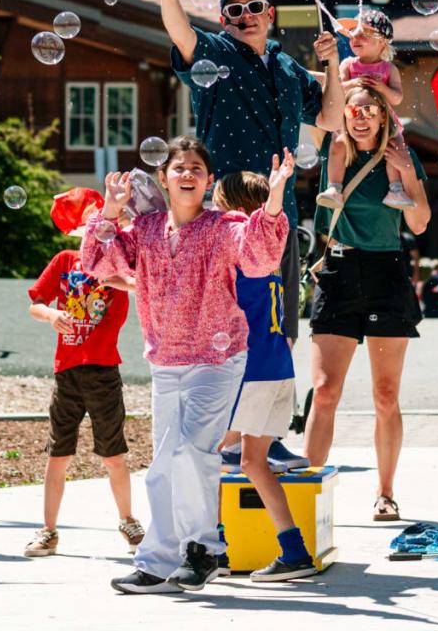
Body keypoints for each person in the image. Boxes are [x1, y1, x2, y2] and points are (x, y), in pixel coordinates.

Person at [82, 137, 291, 594]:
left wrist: (273, 202)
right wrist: (111, 211)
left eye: (197, 168)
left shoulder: (225, 226)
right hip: (167, 360)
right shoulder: (147, 229)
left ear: (209, 179)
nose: (188, 174)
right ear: (163, 178)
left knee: (193, 451)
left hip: (217, 359)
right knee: (163, 461)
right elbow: (98, 263)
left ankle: (204, 549)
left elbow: (260, 257)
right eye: (179, 168)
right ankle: (158, 561)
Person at [152, 0, 342, 348]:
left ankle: (278, 404)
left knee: (281, 330)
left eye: (255, 7)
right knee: (227, 330)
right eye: (235, 11)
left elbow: (332, 117)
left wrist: (333, 64)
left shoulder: (287, 67)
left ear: (270, 14)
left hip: (279, 215)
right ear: (224, 21)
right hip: (227, 219)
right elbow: (181, 33)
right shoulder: (216, 53)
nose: (246, 16)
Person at [300, 84, 431, 523]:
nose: (359, 117)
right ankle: (308, 487)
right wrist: (331, 63)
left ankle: (386, 492)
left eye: (369, 110)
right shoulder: (332, 150)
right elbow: (325, 98)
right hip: (338, 271)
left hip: (386, 272)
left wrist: (407, 174)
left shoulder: (400, 158)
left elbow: (420, 221)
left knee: (385, 394)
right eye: (353, 110)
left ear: (382, 117)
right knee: (324, 390)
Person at [22, 187, 143, 559]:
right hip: (67, 371)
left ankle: (128, 520)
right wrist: (52, 315)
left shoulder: (118, 261)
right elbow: (35, 305)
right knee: (57, 455)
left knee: (114, 454)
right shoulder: (64, 261)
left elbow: (141, 282)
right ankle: (48, 531)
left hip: (104, 369)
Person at [212, 171, 318, 582]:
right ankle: (295, 552)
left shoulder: (240, 254)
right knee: (253, 462)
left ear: (237, 210)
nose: (213, 211)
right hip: (278, 370)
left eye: (218, 203)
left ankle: (213, 548)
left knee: (209, 455)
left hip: (249, 371)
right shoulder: (265, 258)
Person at [318, 9, 410, 211]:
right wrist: (353, 83)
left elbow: (397, 97)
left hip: (382, 120)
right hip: (351, 117)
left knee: (395, 146)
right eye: (352, 35)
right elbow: (335, 88)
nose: (354, 38)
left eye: (363, 34)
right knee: (337, 143)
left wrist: (382, 88)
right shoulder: (348, 64)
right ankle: (334, 188)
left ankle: (395, 189)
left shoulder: (388, 69)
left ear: (381, 41)